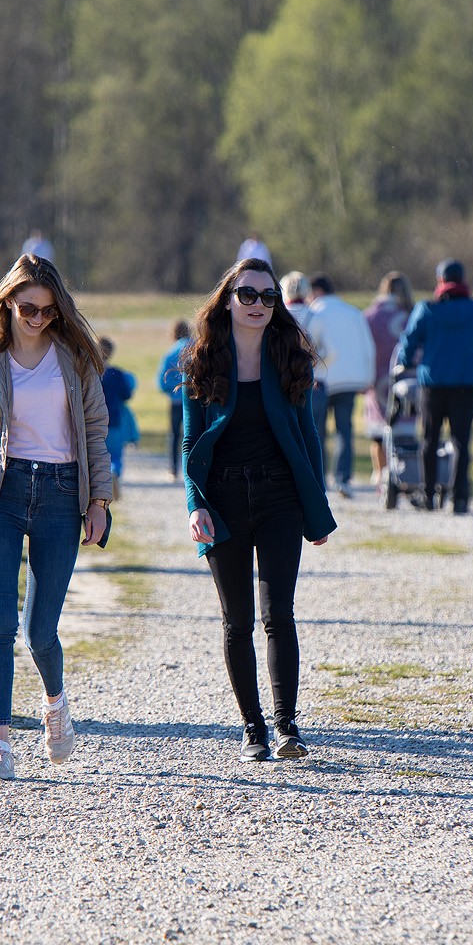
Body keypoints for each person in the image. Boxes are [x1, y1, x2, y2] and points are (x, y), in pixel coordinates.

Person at [0, 254, 112, 781]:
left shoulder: (73, 356)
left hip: (64, 492)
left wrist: (98, 501)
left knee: (40, 630)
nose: (38, 318)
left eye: (48, 311)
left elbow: (94, 430)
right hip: (3, 490)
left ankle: (55, 704)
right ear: (8, 302)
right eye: (28, 308)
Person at [182, 258, 336, 762]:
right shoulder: (202, 360)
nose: (258, 306)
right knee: (236, 621)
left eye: (269, 297)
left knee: (278, 616)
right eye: (248, 295)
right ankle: (253, 730)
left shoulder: (291, 357)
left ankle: (287, 725)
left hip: (279, 501)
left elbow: (308, 438)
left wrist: (317, 509)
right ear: (227, 298)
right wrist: (195, 504)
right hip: (222, 501)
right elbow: (189, 445)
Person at [392, 258, 473, 515]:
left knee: (429, 439)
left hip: (432, 385)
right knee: (461, 442)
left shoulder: (427, 309)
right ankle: (460, 498)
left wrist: (405, 362)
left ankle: (428, 496)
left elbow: (409, 342)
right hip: (466, 385)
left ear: (440, 281)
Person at [305, 273, 375, 497]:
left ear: (316, 291)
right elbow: (369, 347)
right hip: (350, 380)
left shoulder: (315, 313)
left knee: (318, 431)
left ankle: (320, 479)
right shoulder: (353, 312)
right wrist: (368, 378)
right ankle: (343, 479)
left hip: (321, 380)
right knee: (345, 430)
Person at [362, 272, 415, 489]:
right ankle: (408, 476)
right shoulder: (410, 314)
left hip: (377, 380)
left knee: (378, 433)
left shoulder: (370, 315)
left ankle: (381, 475)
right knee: (405, 431)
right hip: (406, 378)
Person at [99, 337, 138, 485]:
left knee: (98, 456)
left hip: (95, 422)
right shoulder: (117, 373)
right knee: (115, 455)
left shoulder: (91, 372)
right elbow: (127, 395)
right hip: (114, 421)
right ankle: (114, 472)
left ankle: (102, 483)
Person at [157, 320, 192, 478]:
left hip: (176, 400)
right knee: (192, 434)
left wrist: (172, 390)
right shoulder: (198, 347)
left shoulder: (171, 353)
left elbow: (161, 382)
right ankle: (191, 469)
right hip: (196, 399)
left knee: (175, 435)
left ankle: (173, 470)